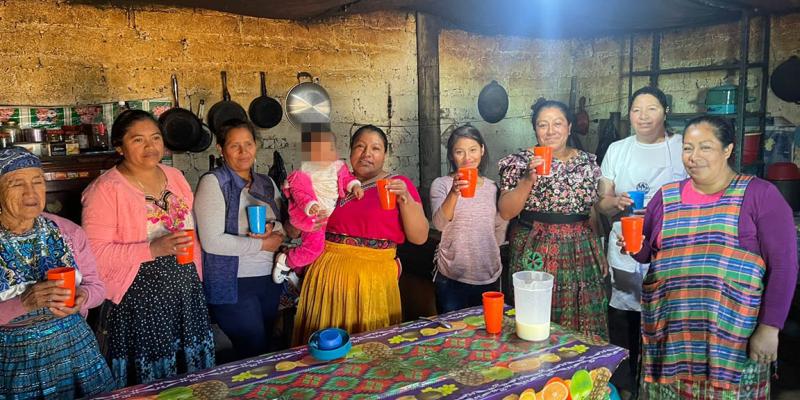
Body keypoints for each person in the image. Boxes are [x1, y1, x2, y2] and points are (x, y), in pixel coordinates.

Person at [622, 116, 798, 399]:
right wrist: (631, 246)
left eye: (705, 147)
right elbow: (647, 254)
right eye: (688, 148)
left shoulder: (760, 195)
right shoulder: (665, 198)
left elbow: (785, 268)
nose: (694, 157)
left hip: (731, 342)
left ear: (727, 149)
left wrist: (770, 328)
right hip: (671, 338)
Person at [81, 110, 214, 387]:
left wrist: (198, 278)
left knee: (190, 376)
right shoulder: (105, 190)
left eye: (155, 137)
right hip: (138, 300)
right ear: (120, 146)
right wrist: (152, 249)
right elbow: (95, 255)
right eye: (138, 140)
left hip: (184, 292)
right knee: (151, 380)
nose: (150, 146)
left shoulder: (175, 176)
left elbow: (192, 229)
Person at [291, 124, 428, 345]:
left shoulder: (397, 185)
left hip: (372, 280)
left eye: (375, 148)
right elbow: (298, 225)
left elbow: (419, 237)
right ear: (350, 150)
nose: (367, 154)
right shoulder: (331, 181)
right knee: (324, 344)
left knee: (370, 346)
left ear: (385, 154)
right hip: (326, 275)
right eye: (360, 147)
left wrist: (406, 200)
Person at [0, 147, 113, 398]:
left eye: (38, 181)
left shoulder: (68, 232)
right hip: (13, 362)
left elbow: (98, 288)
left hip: (77, 352)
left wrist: (83, 296)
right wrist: (23, 302)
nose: (31, 193)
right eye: (17, 183)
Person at [595, 86, 687, 393]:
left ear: (665, 111)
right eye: (636, 109)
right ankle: (625, 384)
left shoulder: (682, 146)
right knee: (624, 314)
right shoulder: (618, 150)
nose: (643, 116)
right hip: (625, 240)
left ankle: (660, 384)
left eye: (652, 109)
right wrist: (615, 201)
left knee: (666, 313)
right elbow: (602, 204)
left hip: (670, 244)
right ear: (629, 114)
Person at [498, 100, 608, 341]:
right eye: (542, 125)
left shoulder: (587, 162)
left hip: (581, 247)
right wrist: (528, 179)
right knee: (535, 314)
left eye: (558, 123)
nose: (550, 131)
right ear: (535, 129)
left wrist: (599, 251)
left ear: (569, 127)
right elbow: (506, 211)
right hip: (536, 246)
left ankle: (583, 374)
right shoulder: (518, 162)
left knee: (585, 312)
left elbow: (591, 209)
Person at [194, 119, 287, 360]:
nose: (243, 152)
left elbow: (283, 226)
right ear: (221, 149)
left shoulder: (266, 183)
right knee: (252, 349)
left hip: (268, 279)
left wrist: (272, 228)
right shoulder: (214, 183)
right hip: (233, 282)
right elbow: (212, 241)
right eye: (235, 146)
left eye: (248, 144)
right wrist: (261, 244)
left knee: (266, 344)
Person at [272, 124, 363, 285]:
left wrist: (355, 186)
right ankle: (286, 262)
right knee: (314, 248)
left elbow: (347, 179)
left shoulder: (338, 167)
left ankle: (297, 271)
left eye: (330, 149)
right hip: (314, 217)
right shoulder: (304, 173)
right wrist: (309, 205)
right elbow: (298, 192)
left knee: (315, 248)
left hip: (329, 218)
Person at [430, 125, 508, 313]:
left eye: (473, 150)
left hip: (488, 276)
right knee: (453, 337)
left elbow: (499, 229)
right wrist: (454, 193)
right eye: (459, 152)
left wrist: (483, 254)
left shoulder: (493, 188)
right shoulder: (441, 184)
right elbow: (439, 224)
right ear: (451, 155)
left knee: (487, 336)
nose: (467, 158)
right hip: (451, 277)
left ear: (482, 150)